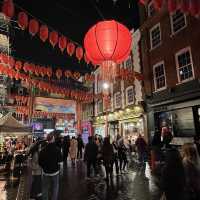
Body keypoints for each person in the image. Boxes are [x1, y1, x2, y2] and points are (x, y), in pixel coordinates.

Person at [39, 132, 62, 200]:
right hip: (55, 172)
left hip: (45, 172)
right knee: (55, 187)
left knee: (45, 187)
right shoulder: (57, 149)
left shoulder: (42, 150)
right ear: (52, 139)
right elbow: (60, 161)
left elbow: (40, 162)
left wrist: (44, 167)